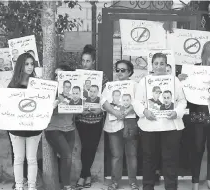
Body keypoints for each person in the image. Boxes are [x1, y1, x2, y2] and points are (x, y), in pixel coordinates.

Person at [177, 41, 210, 190]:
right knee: (197, 149)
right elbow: (181, 92)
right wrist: (179, 80)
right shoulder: (194, 71)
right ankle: (195, 182)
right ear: (205, 54)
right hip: (197, 116)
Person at [134, 53, 186, 190]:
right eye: (156, 63)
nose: (158, 66)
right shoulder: (144, 81)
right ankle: (148, 187)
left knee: (170, 160)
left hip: (170, 127)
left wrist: (177, 112)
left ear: (166, 65)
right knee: (149, 159)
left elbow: (182, 101)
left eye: (161, 63)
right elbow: (137, 101)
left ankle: (170, 187)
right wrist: (145, 111)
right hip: (149, 126)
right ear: (152, 65)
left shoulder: (174, 81)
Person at [0, 53, 41, 190]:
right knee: (19, 158)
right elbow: (7, 103)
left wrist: (52, 104)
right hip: (16, 127)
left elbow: (43, 102)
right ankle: (19, 187)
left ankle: (32, 187)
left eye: (32, 64)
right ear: (21, 65)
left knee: (32, 159)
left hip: (34, 127)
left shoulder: (37, 83)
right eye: (27, 64)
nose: (30, 66)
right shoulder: (12, 84)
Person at [101, 60, 139, 190]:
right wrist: (116, 112)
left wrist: (126, 111)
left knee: (131, 154)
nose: (120, 72)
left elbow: (139, 102)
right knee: (116, 155)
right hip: (113, 123)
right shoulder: (110, 85)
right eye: (118, 70)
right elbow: (103, 101)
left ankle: (133, 182)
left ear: (130, 72)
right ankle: (114, 182)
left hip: (130, 123)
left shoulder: (134, 85)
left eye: (123, 70)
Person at [75, 45, 109, 189]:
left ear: (93, 62)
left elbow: (106, 97)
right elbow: (74, 95)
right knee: (84, 147)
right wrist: (78, 109)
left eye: (88, 61)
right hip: (81, 119)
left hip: (96, 118)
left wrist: (100, 110)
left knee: (92, 147)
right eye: (83, 61)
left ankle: (84, 176)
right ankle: (86, 175)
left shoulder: (102, 77)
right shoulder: (77, 77)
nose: (85, 64)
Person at [44, 65, 76, 190]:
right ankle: (67, 186)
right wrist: (55, 102)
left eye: (61, 75)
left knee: (64, 156)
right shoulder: (49, 90)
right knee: (67, 155)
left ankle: (62, 183)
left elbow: (78, 110)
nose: (58, 78)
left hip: (70, 128)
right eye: (56, 75)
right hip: (53, 129)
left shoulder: (73, 91)